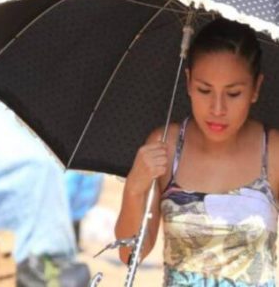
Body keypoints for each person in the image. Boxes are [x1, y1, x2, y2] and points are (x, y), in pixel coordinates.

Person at [115, 18, 278, 286]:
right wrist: (134, 188)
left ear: (256, 88)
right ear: (189, 82)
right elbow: (130, 254)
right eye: (204, 90)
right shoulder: (165, 146)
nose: (217, 108)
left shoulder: (272, 153)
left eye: (233, 93)